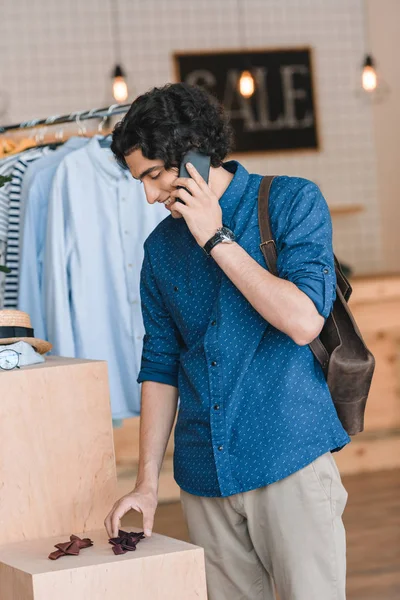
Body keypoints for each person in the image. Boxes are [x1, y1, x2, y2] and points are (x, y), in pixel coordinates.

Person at [104, 82, 351, 600]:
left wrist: (216, 238)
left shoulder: (291, 201)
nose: (148, 194)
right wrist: (147, 482)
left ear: (193, 153)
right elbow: (160, 362)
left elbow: (303, 321)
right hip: (203, 477)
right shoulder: (159, 248)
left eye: (154, 174)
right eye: (139, 180)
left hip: (290, 460)